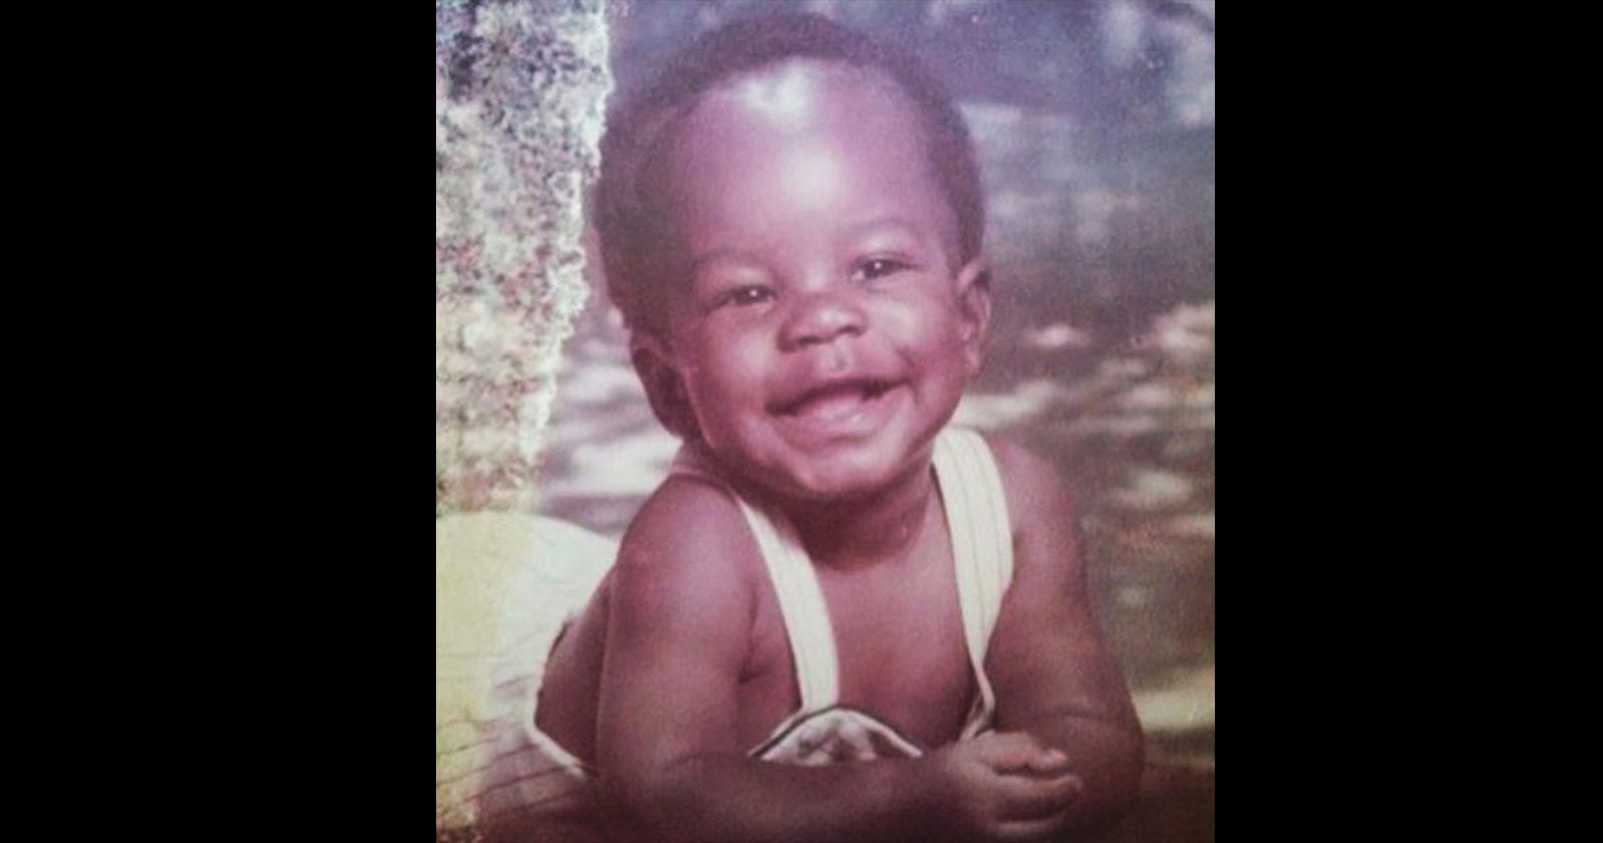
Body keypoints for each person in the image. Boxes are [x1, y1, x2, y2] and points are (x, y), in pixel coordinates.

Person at [469, 12, 1142, 842]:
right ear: (668, 385)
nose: (823, 318)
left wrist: (1048, 787)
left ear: (968, 319)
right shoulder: (695, 547)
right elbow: (666, 799)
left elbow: (1092, 726)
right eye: (750, 292)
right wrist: (913, 799)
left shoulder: (1015, 507)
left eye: (877, 266)